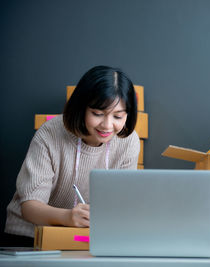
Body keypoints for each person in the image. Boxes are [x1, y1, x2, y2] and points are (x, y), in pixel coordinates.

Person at [3, 66, 140, 246]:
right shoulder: (50, 133)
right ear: (81, 107)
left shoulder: (128, 141)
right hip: (30, 236)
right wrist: (68, 217)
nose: (107, 125)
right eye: (97, 114)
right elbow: (29, 207)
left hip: (86, 240)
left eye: (118, 116)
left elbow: (122, 202)